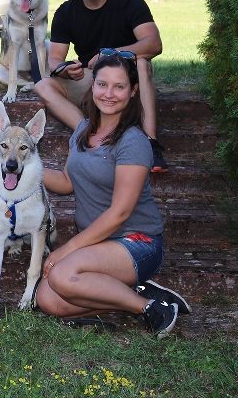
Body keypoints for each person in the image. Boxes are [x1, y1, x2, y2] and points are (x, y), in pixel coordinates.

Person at [36, 52, 190, 337]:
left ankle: (151, 308)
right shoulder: (83, 129)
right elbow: (68, 182)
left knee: (61, 275)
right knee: (47, 299)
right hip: (98, 244)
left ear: (133, 91)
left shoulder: (133, 141)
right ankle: (127, 292)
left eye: (119, 87)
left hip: (136, 241)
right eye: (103, 84)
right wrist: (27, 169)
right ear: (92, 85)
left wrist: (67, 249)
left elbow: (120, 212)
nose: (109, 94)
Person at [35, 0, 168, 172]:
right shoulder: (67, 11)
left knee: (143, 63)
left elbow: (154, 44)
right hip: (91, 78)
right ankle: (88, 133)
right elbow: (54, 60)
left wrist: (110, 53)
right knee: (43, 85)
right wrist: (65, 69)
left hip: (128, 73)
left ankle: (150, 144)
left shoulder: (129, 1)